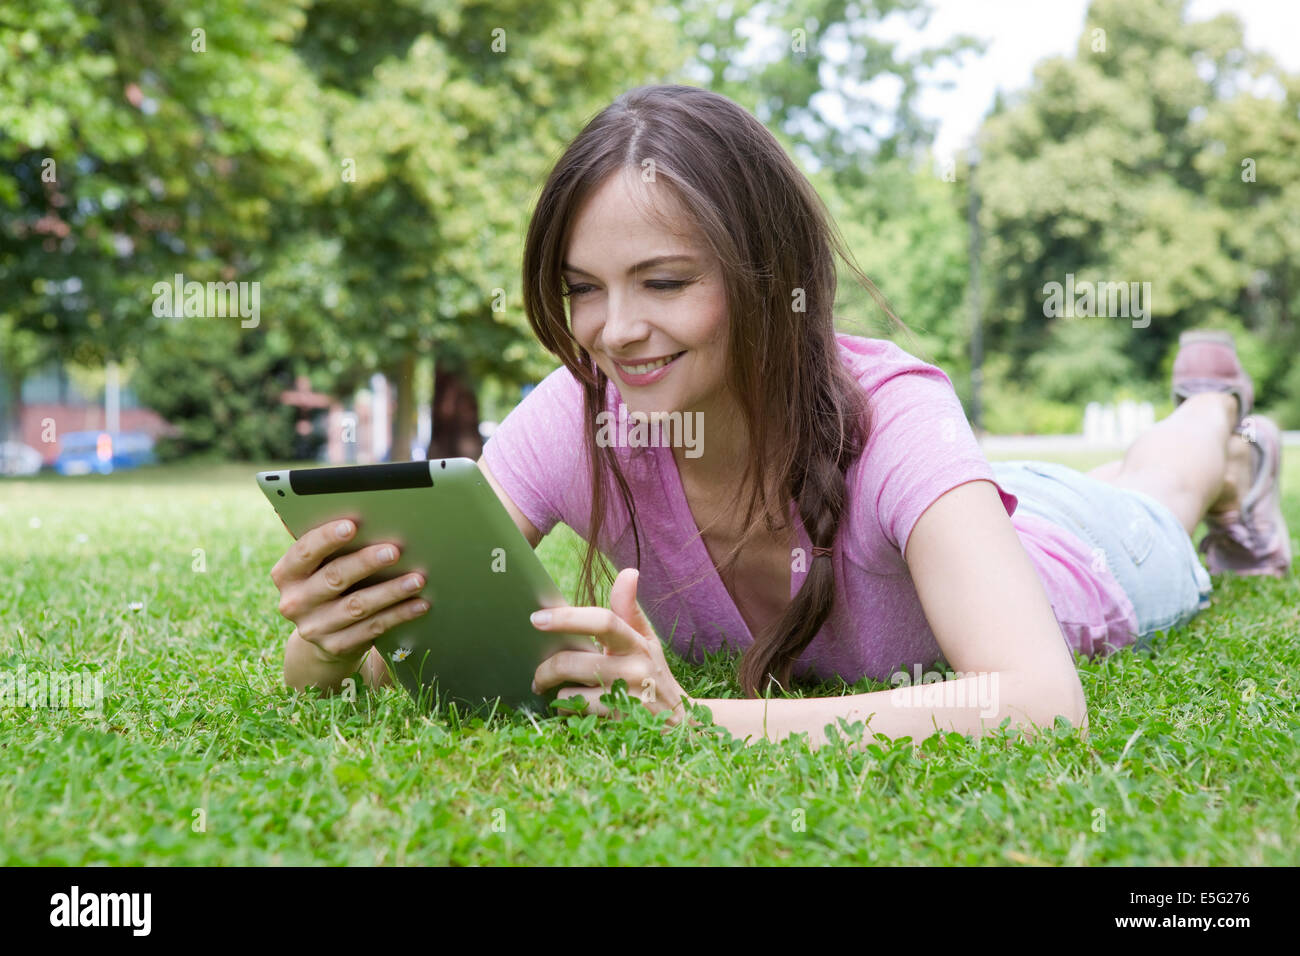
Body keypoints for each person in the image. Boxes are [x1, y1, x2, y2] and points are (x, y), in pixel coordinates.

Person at [272, 85, 1291, 749]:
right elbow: (436, 642)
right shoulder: (579, 417)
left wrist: (703, 717)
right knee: (1112, 477)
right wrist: (326, 645)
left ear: (766, 276)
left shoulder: (896, 419)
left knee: (1157, 486)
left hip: (1080, 553)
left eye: (664, 282)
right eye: (583, 288)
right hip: (979, 510)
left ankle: (1225, 434)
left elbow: (1036, 698)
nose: (615, 332)